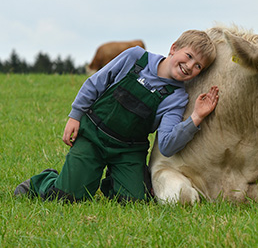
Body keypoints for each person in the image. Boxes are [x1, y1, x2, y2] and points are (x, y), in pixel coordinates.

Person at [15, 30, 219, 202]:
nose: (190, 66)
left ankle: (114, 180)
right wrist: (75, 116)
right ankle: (44, 180)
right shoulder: (135, 57)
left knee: (134, 201)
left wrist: (195, 118)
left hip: (128, 150)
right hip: (93, 135)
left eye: (198, 66)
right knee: (67, 196)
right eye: (189, 56)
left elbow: (167, 145)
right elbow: (95, 83)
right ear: (174, 48)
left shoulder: (177, 97)